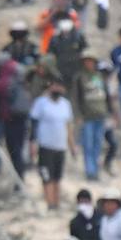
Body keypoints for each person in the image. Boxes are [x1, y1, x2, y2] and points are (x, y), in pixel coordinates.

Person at [28, 79, 75, 211]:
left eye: (60, 86)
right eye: (55, 86)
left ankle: (56, 202)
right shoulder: (41, 103)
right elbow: (34, 125)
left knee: (57, 176)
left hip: (60, 146)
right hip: (45, 146)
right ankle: (50, 204)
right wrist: (32, 144)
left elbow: (69, 126)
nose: (57, 89)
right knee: (47, 176)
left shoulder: (66, 104)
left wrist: (72, 146)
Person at [72, 51, 112, 181]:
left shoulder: (100, 77)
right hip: (87, 116)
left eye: (91, 61)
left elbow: (107, 96)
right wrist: (78, 114)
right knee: (87, 144)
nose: (89, 63)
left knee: (98, 144)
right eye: (87, 61)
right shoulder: (80, 78)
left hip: (101, 114)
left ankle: (95, 169)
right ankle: (90, 171)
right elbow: (76, 98)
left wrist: (110, 112)